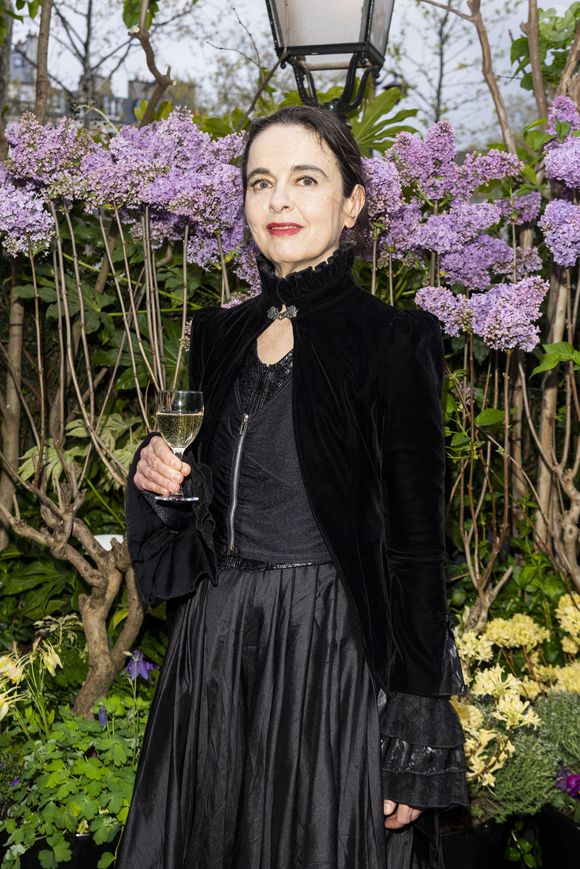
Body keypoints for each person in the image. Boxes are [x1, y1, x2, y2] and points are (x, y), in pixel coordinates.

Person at [117, 105, 469, 869]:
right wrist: (159, 479)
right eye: (260, 182)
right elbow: (197, 518)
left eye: (306, 180)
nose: (279, 201)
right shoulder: (219, 335)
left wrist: (416, 716)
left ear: (352, 204)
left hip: (331, 653)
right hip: (216, 644)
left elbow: (416, 547)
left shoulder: (394, 341)